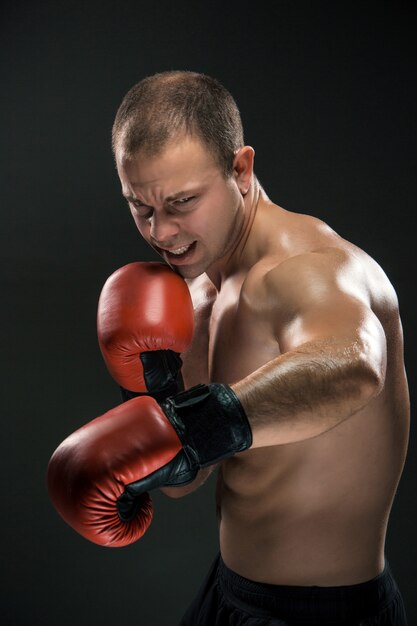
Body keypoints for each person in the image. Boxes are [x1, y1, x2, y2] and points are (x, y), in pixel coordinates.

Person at [48, 71, 409, 625]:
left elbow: (356, 366)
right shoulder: (197, 292)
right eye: (140, 207)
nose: (161, 232)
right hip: (229, 594)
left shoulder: (308, 270)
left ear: (240, 169)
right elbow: (185, 479)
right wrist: (156, 396)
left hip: (323, 615)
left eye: (182, 201)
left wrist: (192, 425)